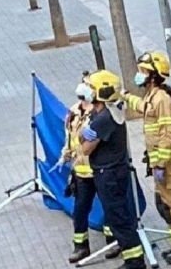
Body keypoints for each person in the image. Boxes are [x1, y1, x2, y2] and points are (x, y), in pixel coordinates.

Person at [122, 51, 171, 264]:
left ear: (154, 75)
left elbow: (167, 135)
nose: (139, 75)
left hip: (169, 164)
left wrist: (160, 164)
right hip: (162, 164)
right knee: (164, 205)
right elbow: (142, 107)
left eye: (143, 71)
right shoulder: (152, 97)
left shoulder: (163, 99)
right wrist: (123, 97)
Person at [78, 70, 146, 269]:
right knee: (118, 215)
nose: (87, 90)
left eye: (91, 87)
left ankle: (135, 261)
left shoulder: (104, 119)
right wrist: (85, 134)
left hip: (108, 174)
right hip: (110, 172)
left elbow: (86, 148)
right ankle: (133, 257)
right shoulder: (105, 111)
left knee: (118, 218)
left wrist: (83, 134)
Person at [60, 77, 119, 263]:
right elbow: (69, 135)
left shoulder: (98, 112)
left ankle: (113, 241)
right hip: (81, 171)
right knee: (80, 209)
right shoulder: (73, 111)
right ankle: (81, 246)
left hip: (99, 169)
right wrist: (66, 153)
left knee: (109, 206)